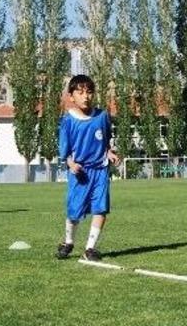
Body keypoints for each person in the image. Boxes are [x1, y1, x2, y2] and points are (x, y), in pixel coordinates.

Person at [56, 75, 120, 261]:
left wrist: (110, 153)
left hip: (100, 170)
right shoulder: (68, 121)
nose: (86, 96)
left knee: (101, 209)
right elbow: (64, 150)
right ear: (71, 96)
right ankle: (68, 242)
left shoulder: (102, 116)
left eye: (89, 92)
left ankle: (90, 248)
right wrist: (70, 163)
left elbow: (106, 141)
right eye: (80, 92)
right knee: (74, 212)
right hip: (80, 172)